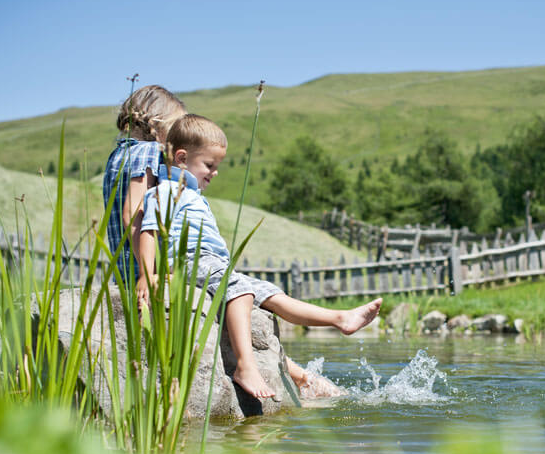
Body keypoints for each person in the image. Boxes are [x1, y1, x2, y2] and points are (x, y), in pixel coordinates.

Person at [138, 114, 382, 401]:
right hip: (191, 260)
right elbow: (149, 230)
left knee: (271, 293)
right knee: (241, 291)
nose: (215, 173)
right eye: (209, 165)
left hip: (214, 265)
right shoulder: (165, 191)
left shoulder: (192, 194)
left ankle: (340, 319)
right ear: (181, 158)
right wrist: (147, 273)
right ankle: (245, 365)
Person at [102, 85, 187, 283]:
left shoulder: (117, 155)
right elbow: (132, 212)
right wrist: (150, 272)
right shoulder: (149, 151)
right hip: (143, 270)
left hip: (123, 270)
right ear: (160, 123)